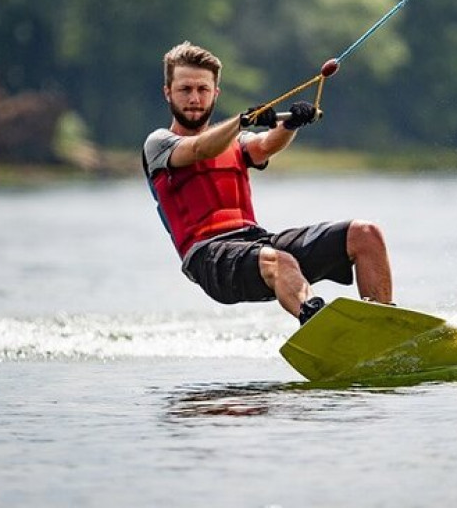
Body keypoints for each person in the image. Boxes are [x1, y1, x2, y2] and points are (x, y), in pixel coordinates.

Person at [143, 41, 394, 325]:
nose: (194, 98)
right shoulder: (159, 144)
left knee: (365, 233)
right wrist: (242, 121)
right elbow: (201, 149)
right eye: (185, 89)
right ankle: (321, 325)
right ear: (168, 93)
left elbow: (264, 146)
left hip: (254, 241)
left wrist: (290, 124)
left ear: (215, 93)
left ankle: (383, 328)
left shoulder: (234, 141)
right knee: (280, 260)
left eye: (203, 89)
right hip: (209, 258)